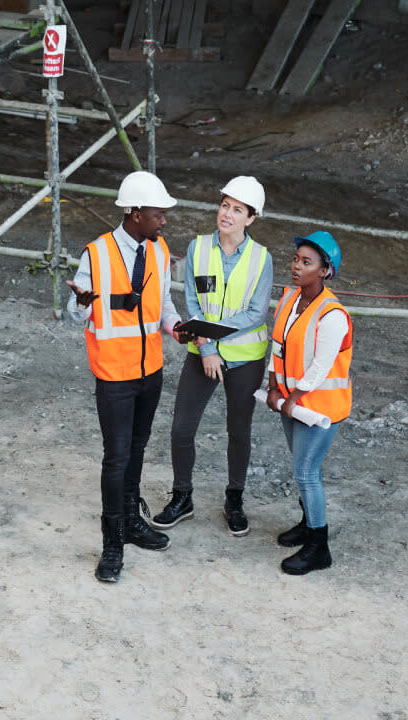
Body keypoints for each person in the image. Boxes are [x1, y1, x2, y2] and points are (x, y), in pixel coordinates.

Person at [71, 171, 185, 584]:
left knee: (137, 450)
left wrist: (176, 328)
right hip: (114, 375)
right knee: (116, 457)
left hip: (149, 371)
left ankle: (134, 523)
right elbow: (75, 309)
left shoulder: (158, 250)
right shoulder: (96, 254)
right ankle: (113, 543)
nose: (164, 220)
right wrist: (83, 303)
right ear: (134, 213)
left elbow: (163, 304)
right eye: (158, 213)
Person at [150, 177, 273, 537]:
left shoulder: (261, 258)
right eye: (224, 205)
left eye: (238, 209)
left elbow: (255, 313)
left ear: (251, 218)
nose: (227, 214)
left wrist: (213, 338)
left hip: (246, 359)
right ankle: (182, 497)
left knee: (239, 431)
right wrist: (206, 348)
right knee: (182, 428)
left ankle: (234, 500)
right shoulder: (198, 248)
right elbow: (191, 300)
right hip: (202, 354)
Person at [263, 231, 353, 575]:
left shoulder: (332, 314)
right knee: (302, 470)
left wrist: (293, 398)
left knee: (305, 472)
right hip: (290, 402)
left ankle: (319, 547)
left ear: (325, 271)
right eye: (296, 259)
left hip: (319, 409)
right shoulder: (289, 298)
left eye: (306, 262)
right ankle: (307, 523)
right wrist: (273, 386)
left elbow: (321, 365)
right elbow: (278, 345)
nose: (296, 267)